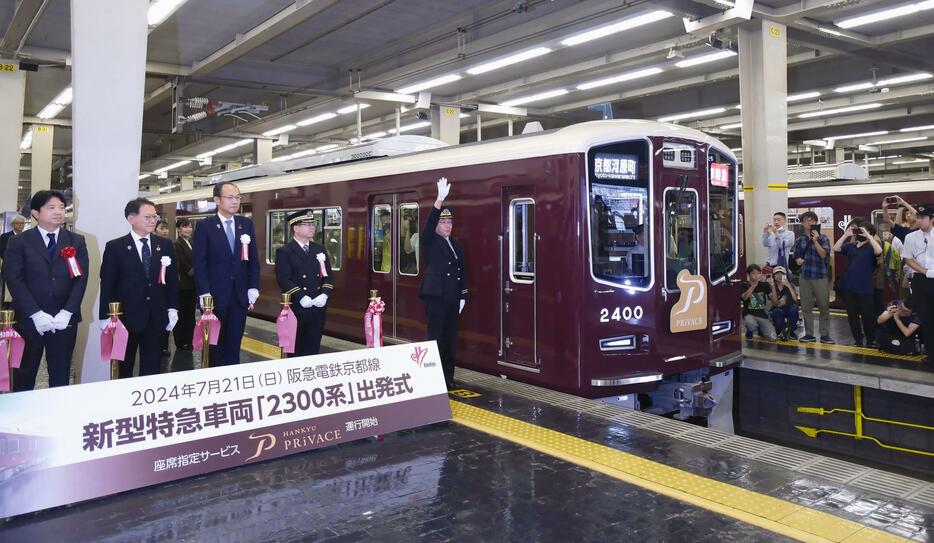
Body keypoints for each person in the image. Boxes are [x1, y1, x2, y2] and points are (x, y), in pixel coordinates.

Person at [2, 191, 88, 390]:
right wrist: (36, 313)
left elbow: (80, 279)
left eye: (61, 207)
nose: (58, 212)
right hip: (29, 319)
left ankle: (58, 416)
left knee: (61, 372)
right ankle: (23, 418)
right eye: (51, 208)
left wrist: (68, 312)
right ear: (35, 213)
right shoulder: (19, 242)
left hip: (64, 320)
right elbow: (14, 278)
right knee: (25, 372)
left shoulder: (76, 241)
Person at [99, 198, 179, 378]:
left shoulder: (164, 245)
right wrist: (105, 316)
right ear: (131, 218)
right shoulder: (115, 247)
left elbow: (173, 280)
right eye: (148, 217)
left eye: (154, 216)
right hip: (125, 319)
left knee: (152, 368)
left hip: (156, 316)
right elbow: (107, 283)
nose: (153, 221)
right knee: (123, 368)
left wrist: (173, 308)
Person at [193, 181, 260, 366]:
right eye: (230, 197)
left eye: (238, 197)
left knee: (234, 343)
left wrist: (253, 286)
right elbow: (200, 263)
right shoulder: (205, 226)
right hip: (214, 297)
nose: (235, 201)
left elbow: (253, 259)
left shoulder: (245, 224)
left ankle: (233, 380)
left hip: (239, 296)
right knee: (215, 346)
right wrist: (204, 293)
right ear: (216, 200)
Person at [420, 177, 468, 389]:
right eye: (443, 222)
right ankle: (434, 378)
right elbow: (429, 226)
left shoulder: (455, 244)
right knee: (436, 338)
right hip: (436, 296)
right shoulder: (430, 241)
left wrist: (463, 295)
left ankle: (448, 378)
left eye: (449, 222)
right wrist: (439, 200)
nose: (447, 226)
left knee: (450, 339)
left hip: (451, 297)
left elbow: (461, 270)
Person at [275, 210, 333, 356]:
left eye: (313, 224)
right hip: (297, 307)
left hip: (317, 308)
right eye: (307, 224)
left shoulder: (319, 249)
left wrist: (324, 294)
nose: (312, 227)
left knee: (313, 348)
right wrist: (301, 296)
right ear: (295, 228)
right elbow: (283, 279)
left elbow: (328, 276)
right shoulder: (285, 251)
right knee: (296, 350)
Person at [834, 220, 882, 346]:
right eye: (859, 230)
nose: (860, 232)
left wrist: (869, 236)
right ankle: (858, 339)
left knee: (868, 316)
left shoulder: (871, 246)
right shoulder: (851, 246)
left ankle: (871, 340)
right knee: (852, 316)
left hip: (865, 288)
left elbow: (879, 251)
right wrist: (846, 235)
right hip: (850, 287)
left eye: (863, 230)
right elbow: (836, 248)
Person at [901, 204, 934, 369]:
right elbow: (908, 258)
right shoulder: (911, 237)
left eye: (923, 217)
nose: (919, 220)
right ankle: (930, 353)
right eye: (918, 217)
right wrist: (925, 271)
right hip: (921, 280)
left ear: (932, 218)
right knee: (926, 318)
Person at [793, 211, 834, 344]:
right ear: (802, 223)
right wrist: (798, 260)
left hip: (820, 276)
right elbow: (796, 256)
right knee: (806, 307)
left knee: (824, 306)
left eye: (812, 220)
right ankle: (809, 334)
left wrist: (815, 241)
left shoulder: (823, 238)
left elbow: (824, 254)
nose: (809, 223)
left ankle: (825, 335)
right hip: (805, 276)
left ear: (816, 222)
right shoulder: (799, 240)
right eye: (806, 220)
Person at [174, 218, 195, 351]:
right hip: (183, 286)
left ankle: (189, 340)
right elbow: (183, 263)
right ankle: (181, 342)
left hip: (192, 286)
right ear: (178, 229)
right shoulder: (177, 244)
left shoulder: (191, 242)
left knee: (190, 315)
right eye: (184, 227)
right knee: (182, 315)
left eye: (189, 227)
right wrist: (196, 269)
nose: (188, 229)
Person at [742, 264, 776, 341]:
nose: (756, 276)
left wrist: (772, 286)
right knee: (750, 323)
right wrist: (753, 286)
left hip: (762, 314)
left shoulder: (764, 285)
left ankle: (761, 329)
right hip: (749, 314)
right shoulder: (743, 285)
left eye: (758, 273)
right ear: (748, 275)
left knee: (772, 337)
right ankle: (749, 330)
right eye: (754, 273)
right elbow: (744, 297)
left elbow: (773, 300)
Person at [0, 215, 27, 308]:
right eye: (17, 223)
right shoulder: (5, 237)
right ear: (12, 225)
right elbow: (2, 252)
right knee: (7, 296)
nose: (20, 225)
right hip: (9, 269)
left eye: (22, 223)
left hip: (24, 271)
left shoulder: (27, 237)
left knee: (21, 295)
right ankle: (7, 315)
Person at [155, 219, 172, 355]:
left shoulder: (168, 245)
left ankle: (163, 346)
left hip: (164, 294)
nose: (165, 231)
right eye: (162, 228)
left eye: (166, 228)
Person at [769, 266, 799, 340]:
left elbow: (795, 299)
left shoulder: (790, 285)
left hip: (788, 308)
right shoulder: (771, 286)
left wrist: (788, 285)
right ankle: (780, 329)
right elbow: (775, 303)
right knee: (778, 312)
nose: (779, 276)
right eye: (777, 274)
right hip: (777, 309)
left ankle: (791, 330)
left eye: (782, 274)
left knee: (794, 308)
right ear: (774, 276)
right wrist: (772, 286)